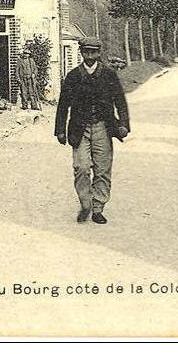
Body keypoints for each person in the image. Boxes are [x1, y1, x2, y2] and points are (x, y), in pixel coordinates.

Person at [54, 37, 131, 225]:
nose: (90, 55)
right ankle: (86, 203)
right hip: (79, 129)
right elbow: (63, 105)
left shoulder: (109, 75)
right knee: (80, 167)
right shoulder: (72, 77)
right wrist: (60, 130)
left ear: (99, 53)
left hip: (103, 127)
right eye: (86, 52)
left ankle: (98, 208)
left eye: (93, 52)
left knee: (102, 169)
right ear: (81, 53)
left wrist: (123, 124)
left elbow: (120, 101)